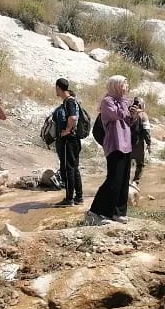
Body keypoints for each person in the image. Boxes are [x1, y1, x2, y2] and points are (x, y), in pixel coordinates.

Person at [89, 75, 134, 224]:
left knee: (123, 180)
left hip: (126, 145)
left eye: (126, 83)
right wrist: (124, 104)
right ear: (115, 85)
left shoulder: (123, 101)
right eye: (124, 83)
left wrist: (133, 114)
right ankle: (96, 211)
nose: (126, 86)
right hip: (115, 144)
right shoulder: (107, 101)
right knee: (113, 180)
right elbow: (117, 115)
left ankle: (118, 212)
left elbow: (126, 121)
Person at [53, 77, 83, 207]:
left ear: (59, 87)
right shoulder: (72, 100)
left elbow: (72, 117)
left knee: (69, 168)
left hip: (69, 140)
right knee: (74, 167)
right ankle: (79, 197)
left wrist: (66, 130)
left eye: (56, 88)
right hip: (75, 140)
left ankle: (69, 199)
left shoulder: (69, 101)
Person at [130, 95, 152, 184]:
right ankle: (136, 182)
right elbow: (146, 131)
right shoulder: (143, 115)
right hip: (138, 143)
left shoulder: (127, 112)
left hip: (126, 143)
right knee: (140, 164)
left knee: (126, 164)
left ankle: (124, 183)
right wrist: (149, 143)